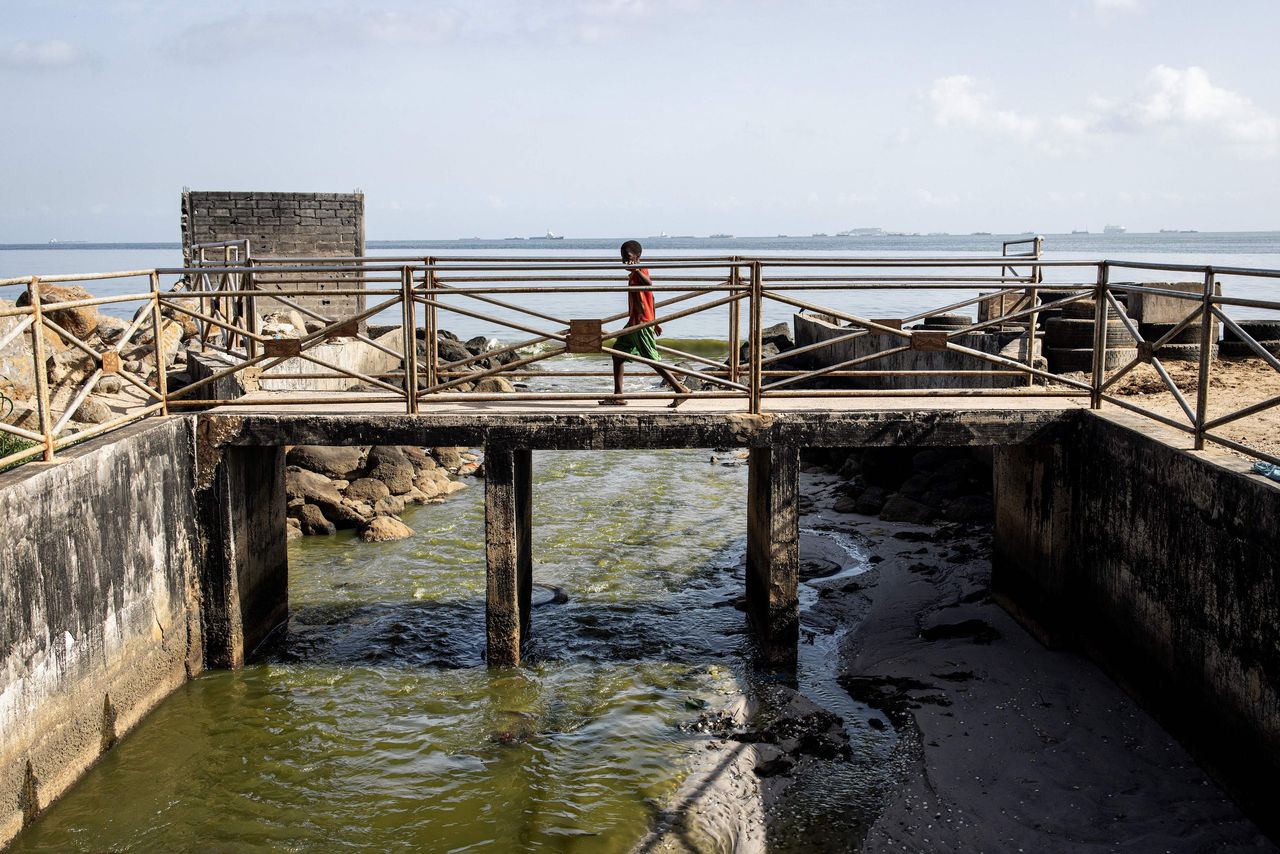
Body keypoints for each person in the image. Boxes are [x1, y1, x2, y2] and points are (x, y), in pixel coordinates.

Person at [602, 240, 690, 407]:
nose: (624, 261)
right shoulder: (634, 274)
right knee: (618, 353)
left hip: (641, 323)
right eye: (622, 258)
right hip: (633, 322)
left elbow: (649, 284)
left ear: (637, 257)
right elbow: (651, 298)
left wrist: (636, 269)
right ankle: (618, 395)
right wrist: (655, 321)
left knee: (651, 359)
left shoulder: (641, 271)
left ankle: (680, 389)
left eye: (627, 257)